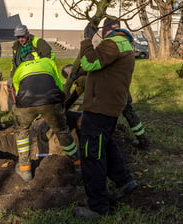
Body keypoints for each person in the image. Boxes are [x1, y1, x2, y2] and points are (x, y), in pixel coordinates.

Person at [72, 17, 138, 219]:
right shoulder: (123, 45)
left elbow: (91, 62)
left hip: (100, 108)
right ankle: (123, 180)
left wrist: (86, 40)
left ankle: (98, 207)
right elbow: (98, 66)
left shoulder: (113, 43)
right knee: (106, 145)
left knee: (92, 156)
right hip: (109, 107)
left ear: (106, 30)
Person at [10, 53, 79, 182]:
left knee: (22, 131)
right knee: (61, 130)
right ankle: (77, 163)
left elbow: (18, 91)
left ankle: (25, 170)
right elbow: (58, 84)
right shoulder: (48, 62)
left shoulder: (20, 68)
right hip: (50, 101)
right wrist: (60, 103)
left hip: (26, 103)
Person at [63, 65, 151, 151]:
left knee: (110, 121)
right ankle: (144, 142)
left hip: (113, 98)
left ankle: (109, 146)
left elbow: (75, 96)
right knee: (131, 117)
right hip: (121, 93)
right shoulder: (91, 68)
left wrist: (63, 109)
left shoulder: (82, 78)